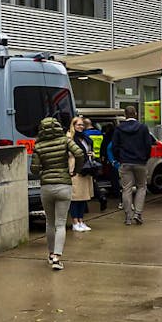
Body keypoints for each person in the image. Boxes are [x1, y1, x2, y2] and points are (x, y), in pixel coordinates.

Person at [30, 116, 83, 271]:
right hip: (64, 185)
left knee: (50, 222)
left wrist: (43, 171)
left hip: (46, 187)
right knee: (60, 224)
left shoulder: (38, 146)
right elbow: (79, 153)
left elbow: (33, 169)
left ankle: (50, 253)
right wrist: (75, 171)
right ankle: (57, 258)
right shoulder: (65, 141)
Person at [113, 106, 153, 225]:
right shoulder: (143, 128)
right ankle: (138, 214)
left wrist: (119, 158)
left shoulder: (119, 128)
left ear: (125, 115)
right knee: (141, 187)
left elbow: (114, 146)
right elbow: (148, 145)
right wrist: (145, 158)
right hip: (140, 162)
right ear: (135, 114)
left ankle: (128, 216)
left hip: (125, 162)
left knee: (126, 189)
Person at [67, 117, 95, 232]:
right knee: (75, 197)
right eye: (78, 125)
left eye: (82, 125)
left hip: (86, 169)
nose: (81, 127)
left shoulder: (85, 138)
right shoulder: (69, 138)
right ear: (73, 125)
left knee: (84, 196)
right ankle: (75, 222)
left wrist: (91, 153)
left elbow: (89, 148)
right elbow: (68, 153)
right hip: (75, 169)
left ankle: (81, 220)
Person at [99, 123, 122, 210]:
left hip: (111, 161)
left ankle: (115, 192)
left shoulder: (106, 138)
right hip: (118, 161)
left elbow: (104, 149)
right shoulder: (117, 137)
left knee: (113, 178)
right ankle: (117, 192)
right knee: (116, 178)